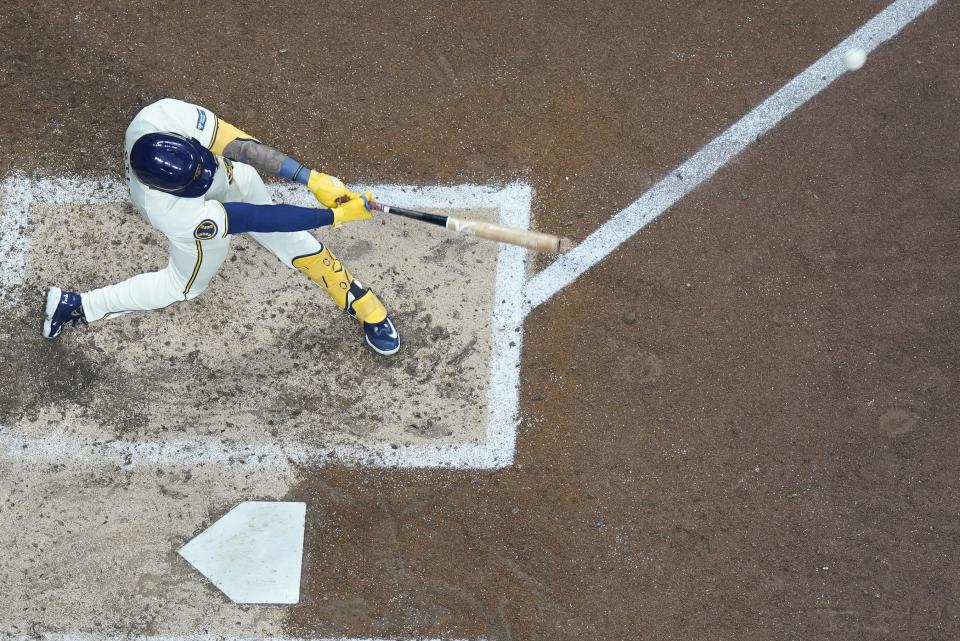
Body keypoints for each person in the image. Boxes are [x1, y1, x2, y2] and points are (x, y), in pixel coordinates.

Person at [41, 98, 400, 355]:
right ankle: (80, 305)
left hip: (237, 179)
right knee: (182, 287)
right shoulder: (168, 210)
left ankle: (363, 304)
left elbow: (241, 148)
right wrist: (335, 217)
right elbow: (256, 219)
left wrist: (312, 179)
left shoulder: (161, 115)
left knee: (287, 234)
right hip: (204, 217)